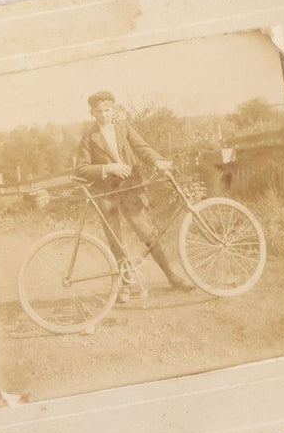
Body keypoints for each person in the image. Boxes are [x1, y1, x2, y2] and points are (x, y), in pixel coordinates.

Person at [74, 91, 194, 299]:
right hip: (105, 194)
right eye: (99, 111)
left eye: (107, 110)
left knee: (147, 233)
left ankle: (172, 277)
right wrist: (109, 167)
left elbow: (142, 148)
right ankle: (125, 285)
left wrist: (157, 161)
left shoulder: (124, 128)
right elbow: (81, 169)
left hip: (130, 189)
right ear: (92, 113)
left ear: (114, 110)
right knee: (115, 239)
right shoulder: (89, 137)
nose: (104, 115)